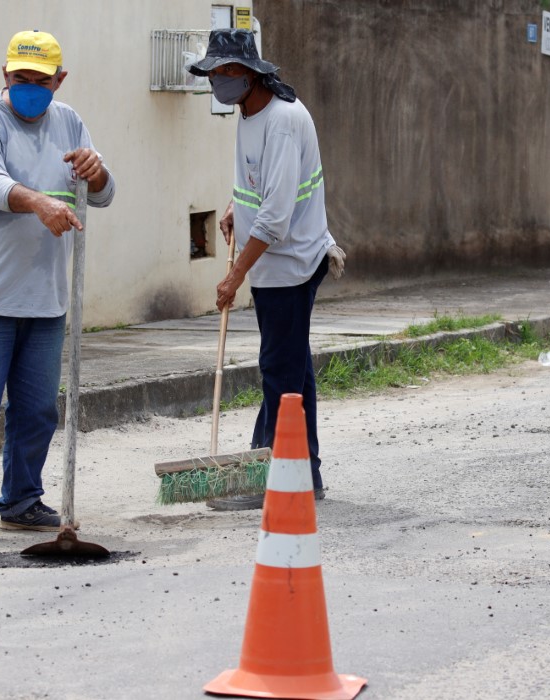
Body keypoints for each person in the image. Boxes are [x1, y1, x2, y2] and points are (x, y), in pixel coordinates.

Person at [0, 30, 115, 544]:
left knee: (38, 408)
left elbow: (103, 195)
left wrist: (98, 173)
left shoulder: (69, 122)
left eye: (42, 80)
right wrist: (40, 202)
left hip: (44, 299)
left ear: (60, 80)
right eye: (21, 78)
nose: (30, 88)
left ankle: (20, 500)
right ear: (5, 74)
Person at [187, 28, 345, 511]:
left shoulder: (280, 119)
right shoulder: (250, 112)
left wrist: (234, 277)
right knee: (292, 368)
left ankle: (269, 478)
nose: (217, 80)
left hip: (293, 263)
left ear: (250, 75)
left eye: (225, 72)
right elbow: (263, 183)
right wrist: (239, 204)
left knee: (279, 372)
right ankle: (306, 474)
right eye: (212, 73)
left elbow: (276, 218)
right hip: (280, 261)